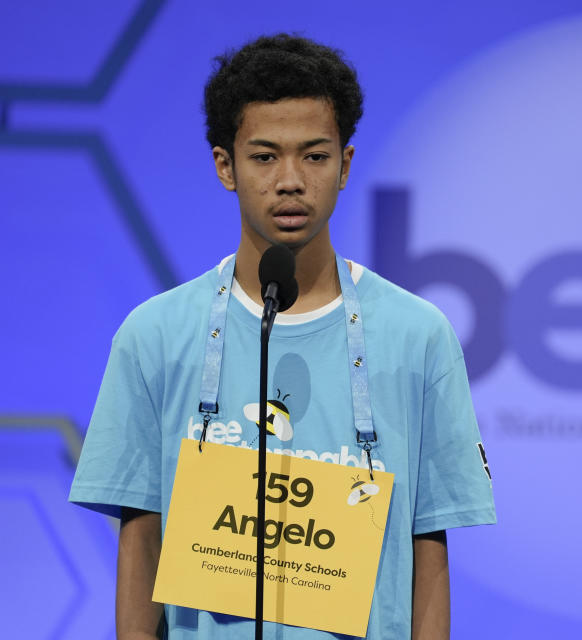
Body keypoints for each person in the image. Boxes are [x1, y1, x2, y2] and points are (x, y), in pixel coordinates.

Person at [69, 33, 496, 640]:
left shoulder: (418, 335)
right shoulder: (153, 335)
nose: (290, 180)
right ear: (226, 166)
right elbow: (141, 537)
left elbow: (428, 544)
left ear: (345, 165)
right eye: (265, 156)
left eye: (315, 157)